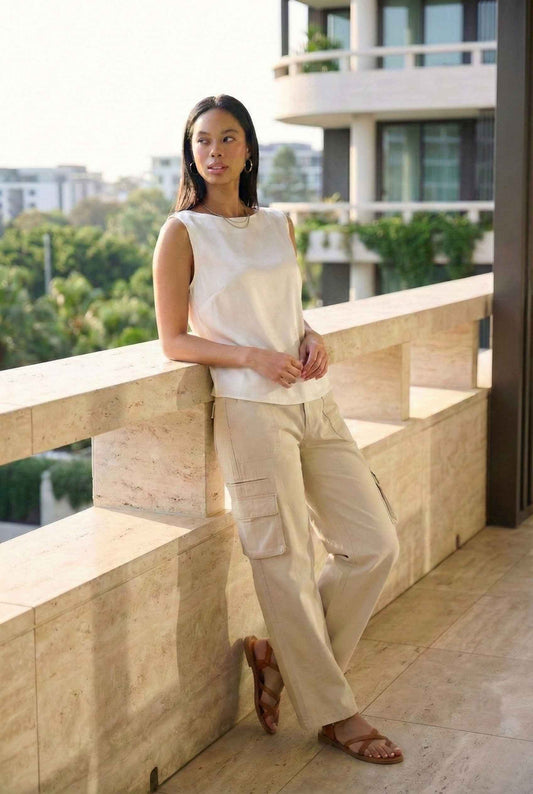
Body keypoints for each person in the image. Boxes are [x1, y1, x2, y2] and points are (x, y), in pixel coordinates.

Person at [152, 94, 403, 765]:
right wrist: (249, 356)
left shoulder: (276, 223)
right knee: (283, 562)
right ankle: (336, 714)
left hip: (312, 401)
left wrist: (310, 334)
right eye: (202, 140)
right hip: (251, 409)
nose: (214, 151)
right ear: (191, 152)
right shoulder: (181, 231)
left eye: (228, 138)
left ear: (249, 149)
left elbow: (287, 309)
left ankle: (278, 660)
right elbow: (173, 341)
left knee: (373, 543)